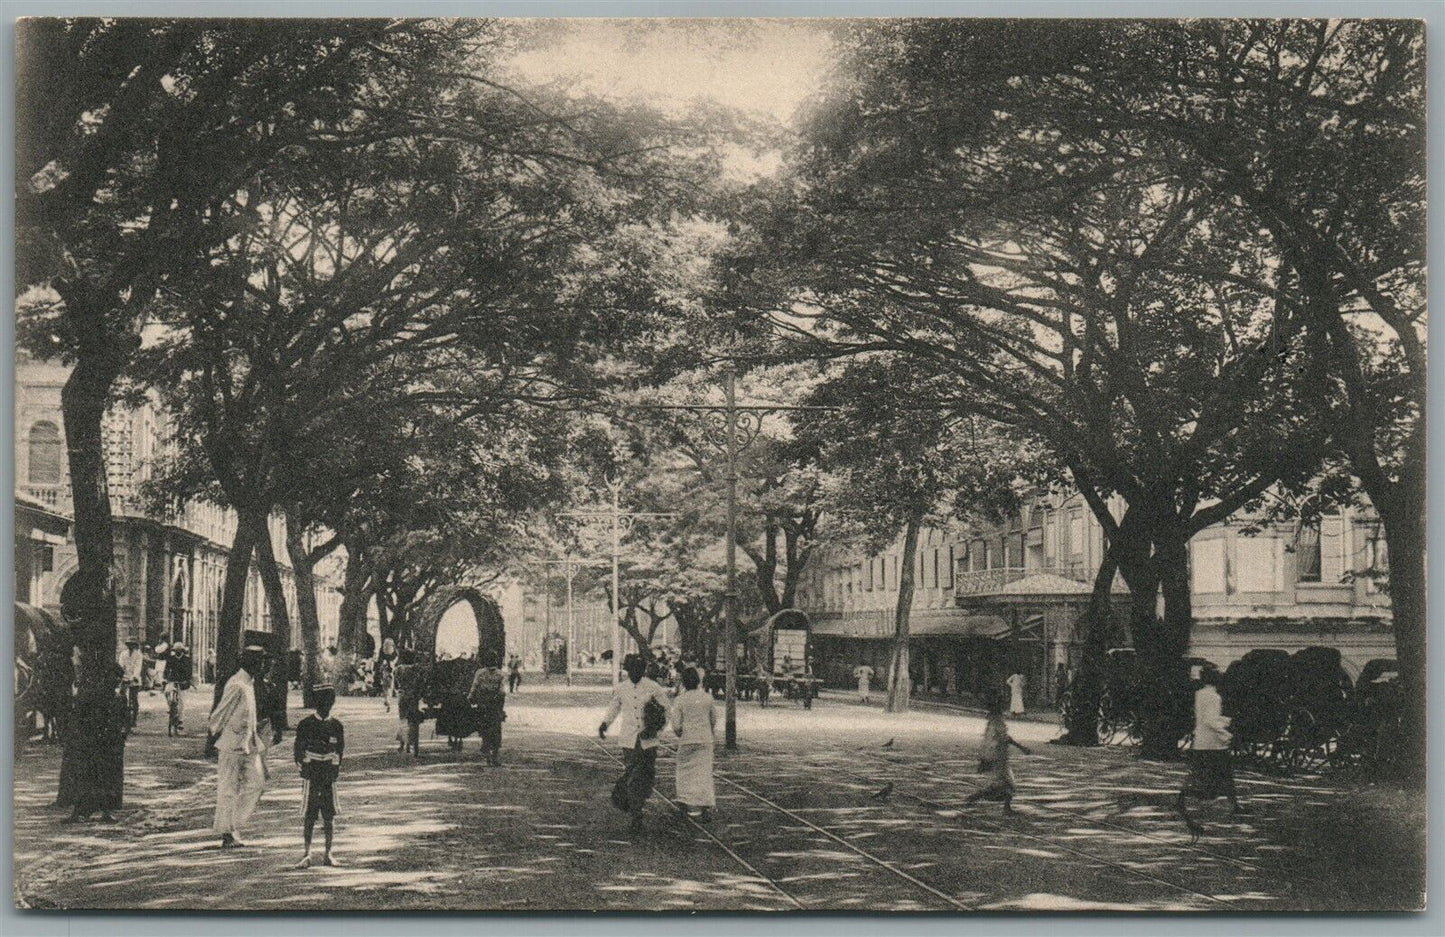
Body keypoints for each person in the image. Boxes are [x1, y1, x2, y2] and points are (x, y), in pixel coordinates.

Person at [600, 654, 673, 833]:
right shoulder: (621, 688)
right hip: (629, 740)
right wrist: (605, 724)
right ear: (628, 671)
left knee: (645, 776)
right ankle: (636, 812)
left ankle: (636, 805)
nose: (636, 674)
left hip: (648, 741)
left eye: (639, 670)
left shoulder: (653, 687)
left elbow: (666, 710)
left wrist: (657, 729)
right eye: (633, 670)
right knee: (633, 775)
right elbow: (614, 708)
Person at [1176, 664, 1246, 841]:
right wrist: (1227, 734)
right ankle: (1233, 804)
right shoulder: (1214, 696)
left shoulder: (1200, 694)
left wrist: (1225, 720)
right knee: (1222, 775)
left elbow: (1205, 717)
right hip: (1213, 744)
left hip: (1202, 741)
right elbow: (1210, 721)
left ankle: (1233, 804)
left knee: (1205, 774)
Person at [209, 645, 270, 848]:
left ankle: (233, 824)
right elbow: (220, 713)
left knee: (257, 784)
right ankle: (227, 834)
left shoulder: (249, 684)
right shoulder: (236, 684)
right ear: (251, 662)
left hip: (249, 744)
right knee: (228, 789)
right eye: (261, 661)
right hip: (231, 744)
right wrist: (214, 737)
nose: (264, 665)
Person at [66, 665, 129, 823]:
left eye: (118, 679)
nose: (116, 681)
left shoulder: (120, 697)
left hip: (111, 744)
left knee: (108, 778)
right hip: (94, 743)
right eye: (114, 678)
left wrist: (122, 735)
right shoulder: (96, 697)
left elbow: (125, 720)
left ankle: (106, 812)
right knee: (87, 776)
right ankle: (79, 811)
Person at [293, 683, 345, 868]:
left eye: (329, 701)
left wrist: (334, 772)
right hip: (312, 775)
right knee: (310, 814)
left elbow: (339, 751)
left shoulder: (337, 726)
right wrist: (304, 769)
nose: (326, 705)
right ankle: (307, 853)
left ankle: (328, 853)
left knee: (329, 816)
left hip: (328, 776)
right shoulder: (306, 725)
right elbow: (298, 751)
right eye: (323, 701)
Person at [965, 693, 1032, 814]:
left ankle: (1004, 806)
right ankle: (979, 796)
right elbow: (1005, 738)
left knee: (1004, 781)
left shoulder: (992, 721)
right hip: (999, 755)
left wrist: (984, 757)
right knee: (1006, 782)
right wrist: (1021, 747)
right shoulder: (997, 721)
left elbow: (988, 740)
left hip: (996, 754)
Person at [672, 667, 717, 822]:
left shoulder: (680, 700)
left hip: (687, 740)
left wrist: (681, 734)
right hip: (705, 740)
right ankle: (704, 805)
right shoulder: (707, 698)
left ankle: (685, 802)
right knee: (704, 773)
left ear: (683, 682)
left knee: (685, 773)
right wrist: (708, 733)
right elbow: (713, 720)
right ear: (698, 681)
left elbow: (676, 725)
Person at [468, 656, 507, 766]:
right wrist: (500, 707)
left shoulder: (480, 673)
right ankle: (494, 756)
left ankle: (487, 755)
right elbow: (502, 691)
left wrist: (470, 698)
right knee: (496, 729)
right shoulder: (501, 674)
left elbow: (474, 686)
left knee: (484, 728)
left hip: (483, 704)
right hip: (495, 705)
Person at [162, 640, 193, 735]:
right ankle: (170, 706)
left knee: (182, 702)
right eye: (176, 650)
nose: (178, 652)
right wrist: (165, 678)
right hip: (172, 680)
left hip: (182, 683)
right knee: (167, 691)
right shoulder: (170, 659)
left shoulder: (187, 660)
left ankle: (180, 720)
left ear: (182, 651)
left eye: (179, 650)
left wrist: (186, 680)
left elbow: (189, 672)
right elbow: (166, 670)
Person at [119, 640, 143, 728]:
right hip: (124, 678)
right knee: (121, 698)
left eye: (132, 645)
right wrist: (121, 675)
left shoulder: (138, 654)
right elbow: (121, 666)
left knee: (134, 699)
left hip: (134, 679)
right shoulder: (123, 654)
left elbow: (138, 666)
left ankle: (134, 719)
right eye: (129, 645)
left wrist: (135, 677)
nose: (130, 647)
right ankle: (122, 717)